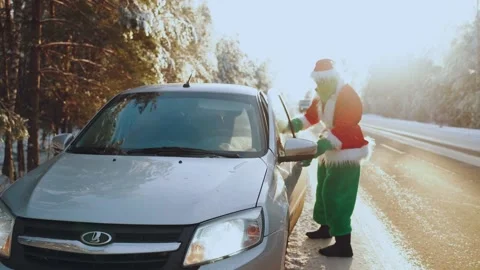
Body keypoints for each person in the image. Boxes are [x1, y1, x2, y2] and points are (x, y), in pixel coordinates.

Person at [280, 59, 374, 257]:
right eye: (317, 82)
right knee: (324, 190)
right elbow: (311, 117)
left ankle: (343, 244)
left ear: (331, 79)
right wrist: (292, 125)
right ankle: (326, 228)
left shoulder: (347, 95)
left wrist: (318, 147)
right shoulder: (323, 94)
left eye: (321, 82)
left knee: (338, 197)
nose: (318, 85)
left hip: (347, 151)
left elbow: (347, 124)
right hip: (331, 149)